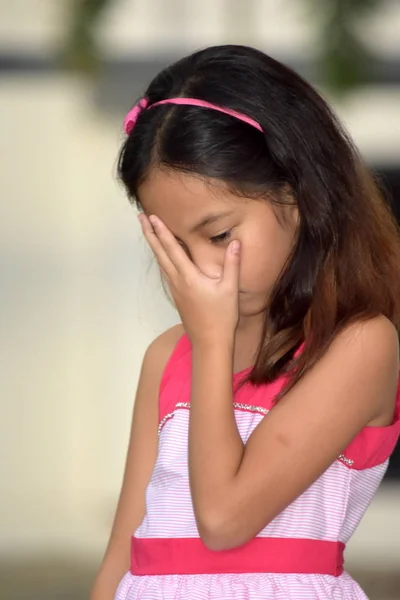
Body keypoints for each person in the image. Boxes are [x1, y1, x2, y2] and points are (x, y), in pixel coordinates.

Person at [90, 45, 400, 600]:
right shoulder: (167, 357)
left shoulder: (359, 345)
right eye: (175, 246)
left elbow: (225, 519)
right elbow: (123, 551)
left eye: (218, 235)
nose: (204, 269)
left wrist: (210, 343)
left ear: (300, 192)